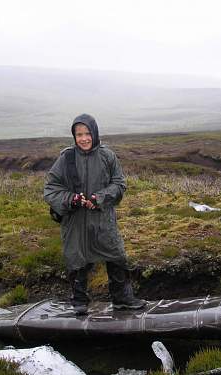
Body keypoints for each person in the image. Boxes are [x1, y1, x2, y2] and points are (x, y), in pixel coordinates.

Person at [44, 113, 146, 315]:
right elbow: (51, 188)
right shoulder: (66, 158)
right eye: (78, 134)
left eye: (87, 133)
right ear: (74, 136)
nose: (83, 138)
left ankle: (122, 299)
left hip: (103, 219)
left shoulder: (108, 156)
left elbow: (119, 184)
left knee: (116, 255)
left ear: (95, 133)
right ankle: (79, 301)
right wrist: (71, 199)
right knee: (77, 257)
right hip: (75, 220)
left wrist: (99, 198)